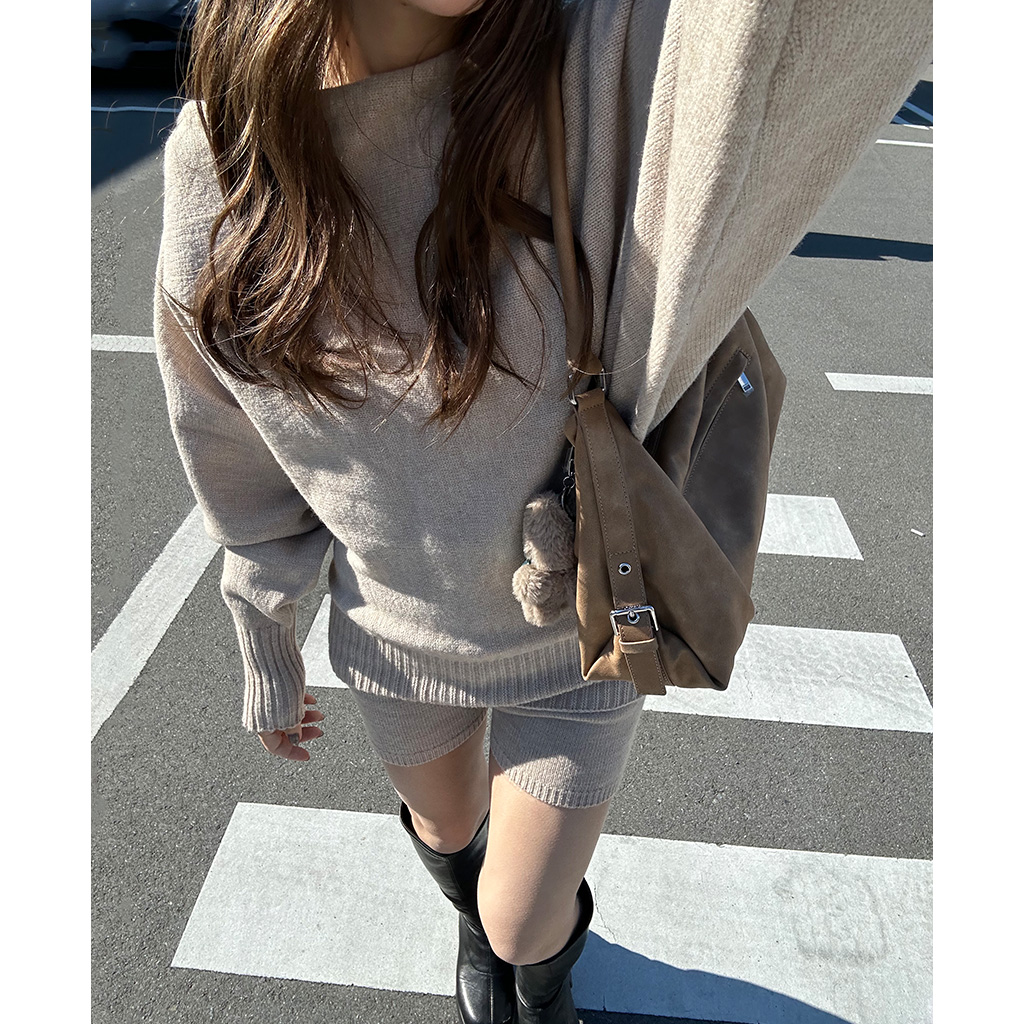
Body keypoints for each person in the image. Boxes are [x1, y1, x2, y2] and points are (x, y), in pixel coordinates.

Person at [154, 1, 931, 1021]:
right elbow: (222, 423)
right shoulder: (223, 155)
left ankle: (529, 972)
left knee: (524, 920)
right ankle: (475, 921)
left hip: (585, 621)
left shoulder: (598, 57)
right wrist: (263, 621)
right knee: (451, 840)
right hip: (395, 632)